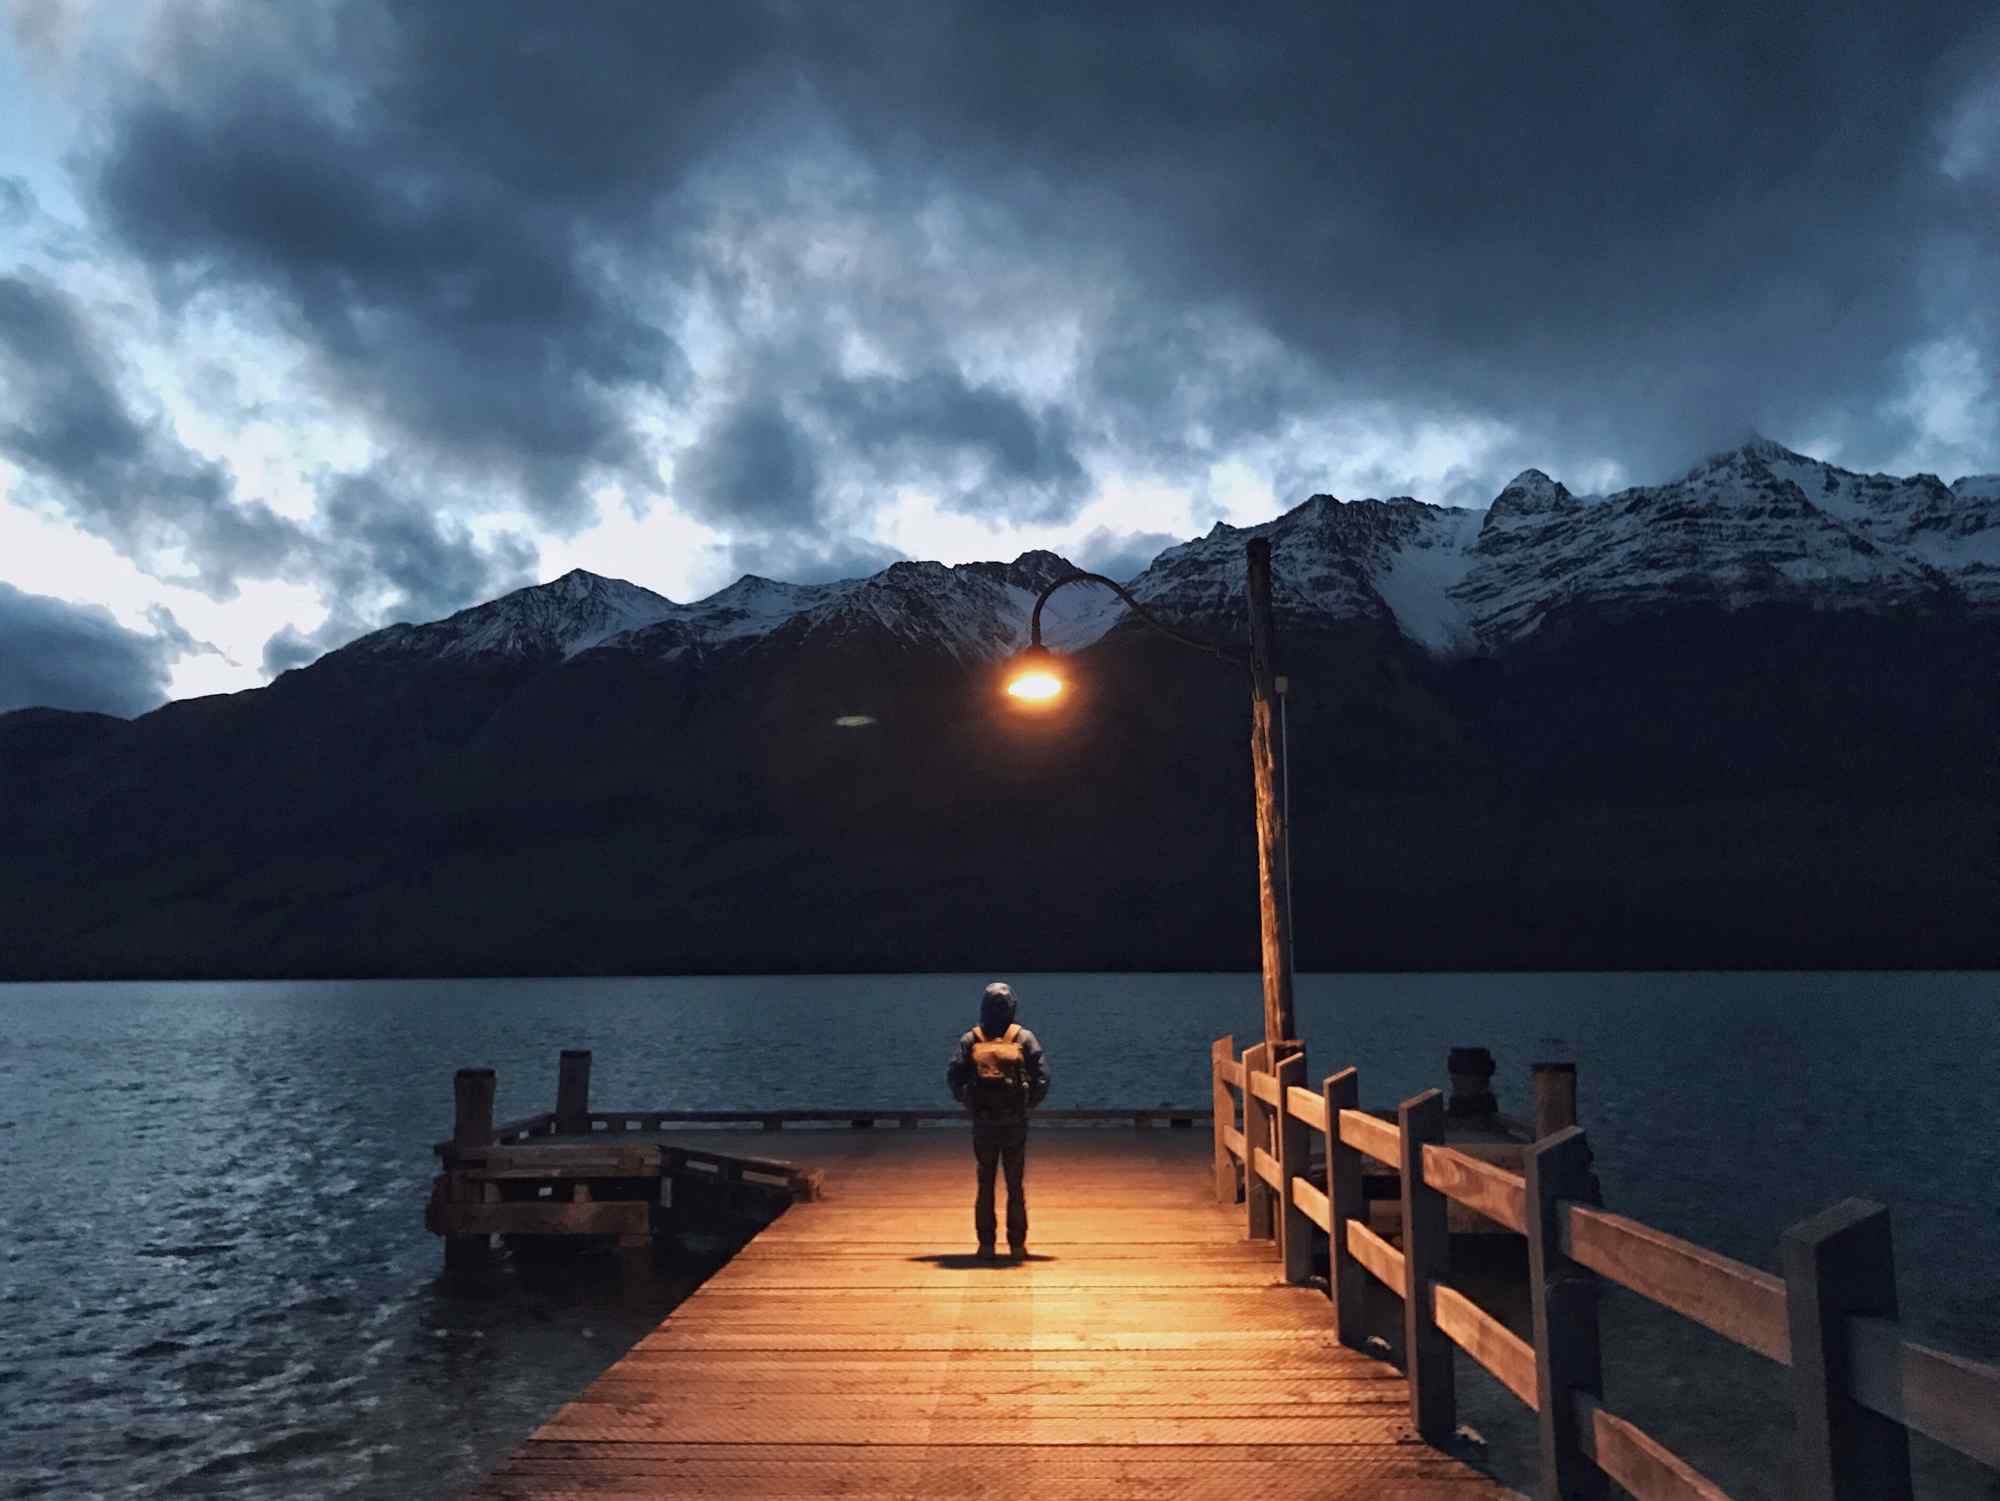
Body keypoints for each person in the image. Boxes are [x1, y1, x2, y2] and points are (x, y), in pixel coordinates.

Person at [945, 981, 1050, 1260]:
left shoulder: (972, 1039)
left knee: (985, 1182)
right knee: (1015, 1184)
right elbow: (1042, 1078)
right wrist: (1026, 1105)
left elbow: (954, 1077)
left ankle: (986, 1244)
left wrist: (971, 1104)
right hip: (1015, 1122)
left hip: (984, 1124)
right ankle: (1017, 1245)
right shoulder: (1023, 1037)